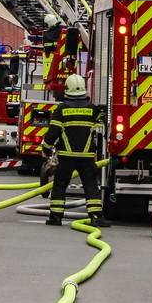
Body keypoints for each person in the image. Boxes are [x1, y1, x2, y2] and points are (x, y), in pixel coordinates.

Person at [42, 74, 109, 228]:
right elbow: (103, 126)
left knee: (60, 185)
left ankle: (56, 217)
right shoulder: (93, 110)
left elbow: (53, 133)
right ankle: (96, 217)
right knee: (91, 185)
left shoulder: (62, 109)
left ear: (67, 89)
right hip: (87, 157)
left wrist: (46, 148)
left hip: (66, 156)